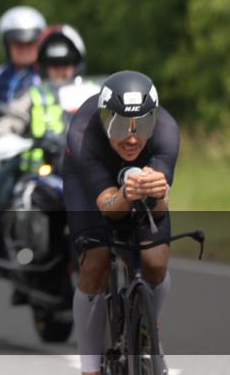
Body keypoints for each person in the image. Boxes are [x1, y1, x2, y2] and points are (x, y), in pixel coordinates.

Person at [64, 71, 177, 375]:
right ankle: (90, 368)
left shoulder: (166, 131)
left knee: (155, 262)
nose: (132, 138)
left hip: (134, 184)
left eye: (142, 125)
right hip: (90, 188)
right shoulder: (83, 132)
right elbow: (108, 209)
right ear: (104, 120)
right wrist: (126, 194)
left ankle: (148, 328)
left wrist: (157, 193)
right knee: (95, 261)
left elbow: (159, 212)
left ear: (154, 120)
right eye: (119, 126)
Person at [0, 24, 92, 265]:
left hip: (82, 169)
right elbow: (10, 120)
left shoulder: (92, 93)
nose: (60, 71)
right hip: (41, 170)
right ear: (44, 67)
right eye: (54, 65)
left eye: (66, 64)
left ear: (76, 65)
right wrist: (6, 135)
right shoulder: (33, 94)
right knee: (4, 188)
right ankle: (7, 251)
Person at [0, 5, 46, 158]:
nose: (25, 49)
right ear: (7, 44)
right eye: (18, 43)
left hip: (44, 149)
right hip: (7, 152)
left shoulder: (48, 75)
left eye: (30, 43)